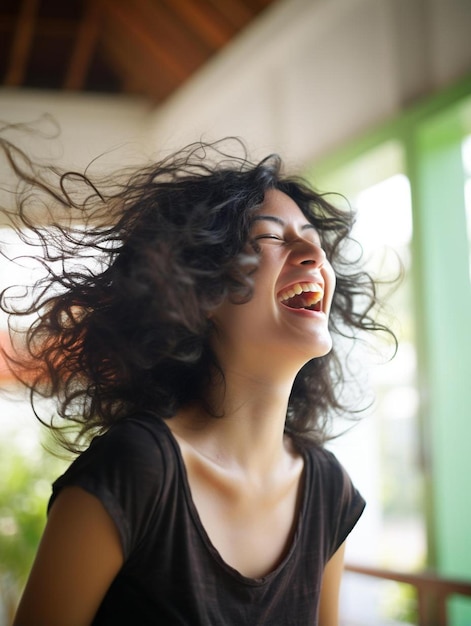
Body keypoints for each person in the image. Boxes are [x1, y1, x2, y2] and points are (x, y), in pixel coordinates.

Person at [1, 134, 393, 626]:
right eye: (272, 237)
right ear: (201, 287)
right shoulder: (135, 470)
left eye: (314, 240)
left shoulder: (328, 488)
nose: (312, 254)